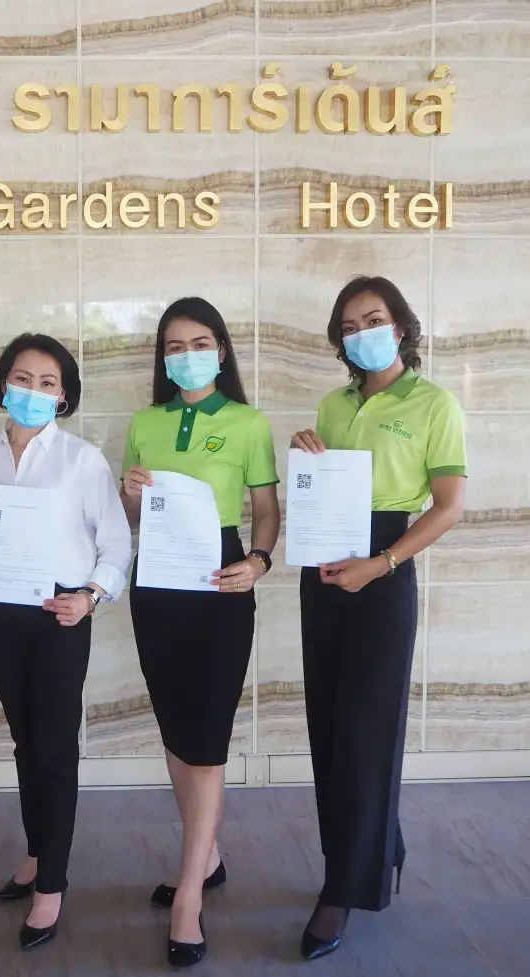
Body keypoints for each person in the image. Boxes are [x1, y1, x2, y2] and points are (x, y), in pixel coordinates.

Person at [291, 276, 466, 961]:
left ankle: (345, 886)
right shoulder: (333, 405)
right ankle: (377, 845)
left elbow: (447, 506)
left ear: (401, 327)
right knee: (330, 725)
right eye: (349, 325)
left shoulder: (432, 403)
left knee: (368, 729)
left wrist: (382, 562)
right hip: (324, 569)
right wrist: (309, 460)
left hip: (384, 568)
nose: (361, 332)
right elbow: (327, 488)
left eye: (373, 319)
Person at [0, 334, 132, 951]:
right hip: (0, 610)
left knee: (53, 747)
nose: (32, 391)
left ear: (64, 397)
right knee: (25, 739)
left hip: (60, 614)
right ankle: (35, 854)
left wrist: (91, 597)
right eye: (22, 379)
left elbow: (116, 545)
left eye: (47, 383)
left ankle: (51, 884)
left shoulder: (83, 460)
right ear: (3, 385)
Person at [121, 297, 280, 968]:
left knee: (207, 740)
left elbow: (266, 509)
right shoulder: (145, 422)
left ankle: (189, 896)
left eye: (199, 343)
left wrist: (258, 561)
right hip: (157, 584)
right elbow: (131, 515)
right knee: (177, 732)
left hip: (220, 584)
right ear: (162, 357)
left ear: (220, 350)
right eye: (174, 345)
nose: (186, 355)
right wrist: (130, 496)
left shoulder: (248, 422)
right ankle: (205, 857)